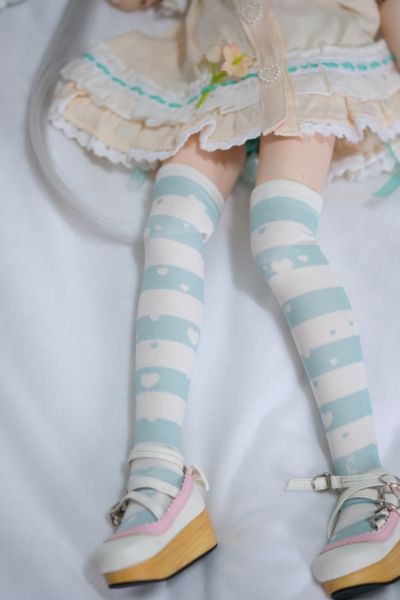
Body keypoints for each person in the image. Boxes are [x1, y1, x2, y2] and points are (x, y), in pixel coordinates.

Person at [48, 0, 400, 597]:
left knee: (282, 234)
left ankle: (369, 483)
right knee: (170, 228)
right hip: (217, 72)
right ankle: (159, 478)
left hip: (313, 60)